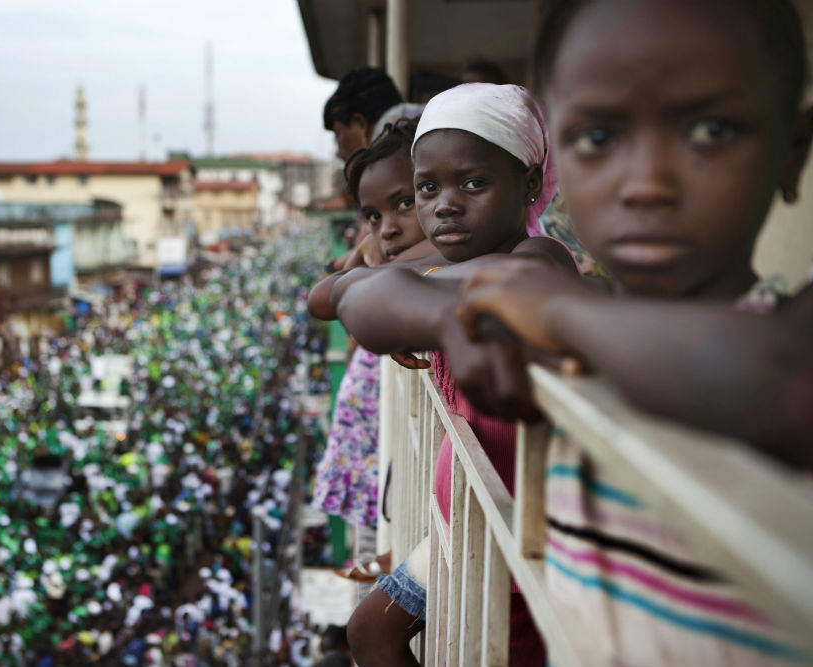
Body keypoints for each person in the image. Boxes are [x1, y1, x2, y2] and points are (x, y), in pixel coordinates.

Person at [451, 0, 813, 663]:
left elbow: (782, 376)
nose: (647, 184)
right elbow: (365, 298)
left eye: (710, 129)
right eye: (596, 138)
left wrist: (559, 311)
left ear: (793, 152)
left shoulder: (783, 339)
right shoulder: (575, 328)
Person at [332, 83, 576, 667]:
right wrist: (407, 299)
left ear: (528, 184)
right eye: (428, 188)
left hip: (512, 547)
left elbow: (368, 297)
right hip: (463, 527)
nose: (445, 205)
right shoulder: (451, 264)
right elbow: (337, 297)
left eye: (472, 184)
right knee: (369, 631)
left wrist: (410, 304)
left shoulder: (541, 258)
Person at [308, 120, 434, 595]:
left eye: (406, 202)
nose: (390, 229)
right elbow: (319, 299)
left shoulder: (471, 264)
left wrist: (374, 281)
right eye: (374, 218)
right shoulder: (404, 261)